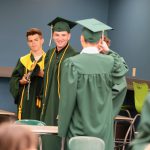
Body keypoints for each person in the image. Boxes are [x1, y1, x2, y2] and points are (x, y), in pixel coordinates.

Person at [58, 18, 129, 150]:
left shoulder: (71, 63)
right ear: (100, 41)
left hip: (78, 129)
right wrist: (108, 51)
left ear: (81, 39)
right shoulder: (110, 62)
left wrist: (62, 129)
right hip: (103, 130)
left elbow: (67, 102)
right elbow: (123, 70)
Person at [40, 17, 78, 150]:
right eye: (57, 35)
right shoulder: (49, 54)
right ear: (52, 35)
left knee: (60, 139)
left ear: (69, 36)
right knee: (46, 137)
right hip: (47, 103)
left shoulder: (74, 56)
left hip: (63, 105)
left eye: (63, 35)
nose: (60, 38)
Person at [10, 28, 46, 120]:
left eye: (36, 40)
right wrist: (21, 81)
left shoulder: (49, 60)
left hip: (42, 101)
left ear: (42, 41)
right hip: (25, 101)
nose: (33, 43)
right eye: (30, 41)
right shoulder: (23, 60)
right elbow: (14, 80)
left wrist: (43, 75)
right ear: (27, 43)